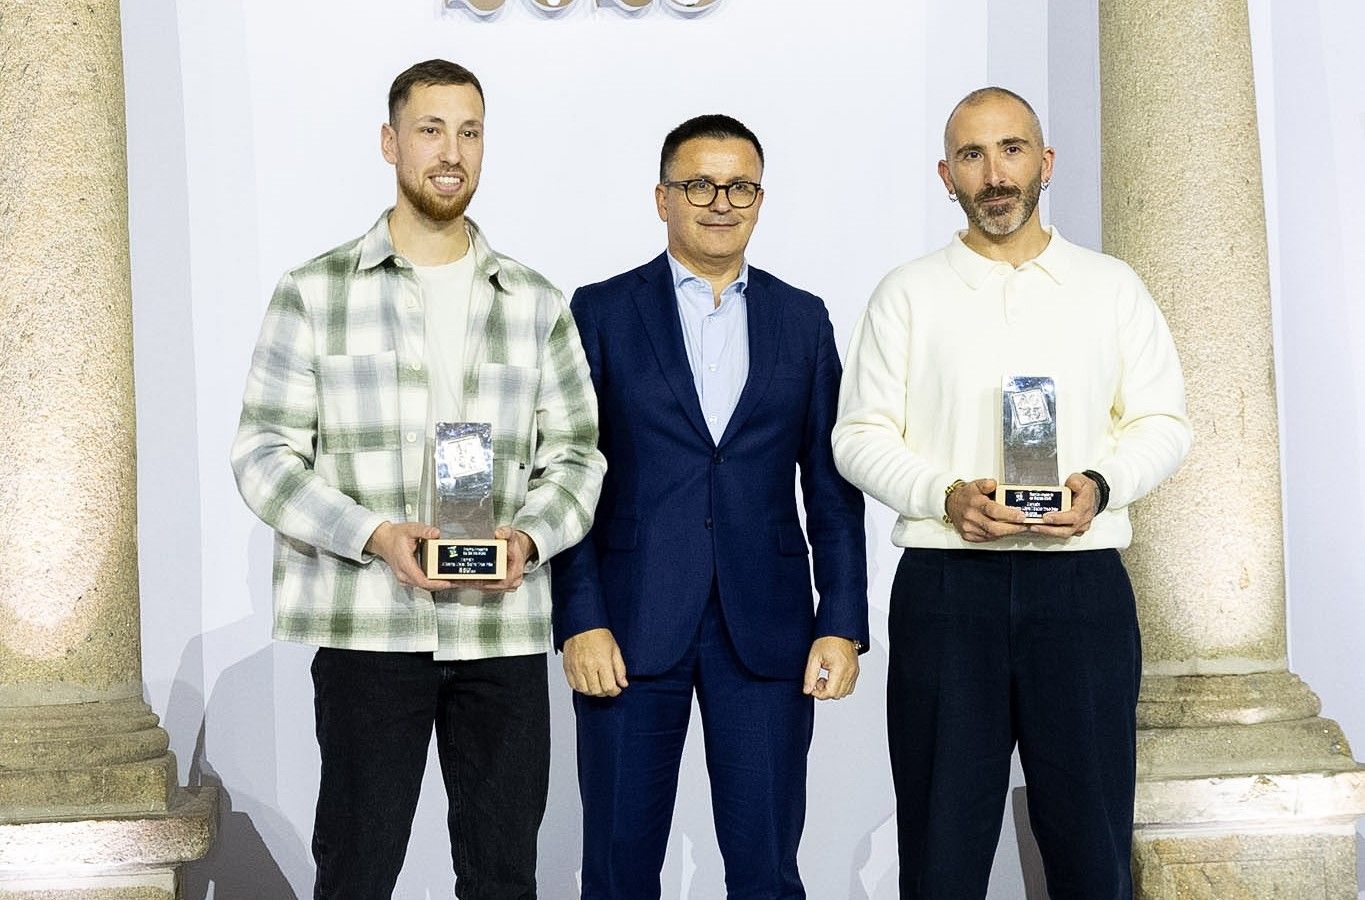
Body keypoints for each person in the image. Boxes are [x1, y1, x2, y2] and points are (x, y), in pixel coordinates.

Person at [230, 59, 605, 900]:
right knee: (356, 873)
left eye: (469, 132)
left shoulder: (534, 301)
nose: (451, 152)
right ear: (390, 142)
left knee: (503, 876)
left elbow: (578, 455)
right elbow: (263, 455)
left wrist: (527, 538)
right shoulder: (315, 292)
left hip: (500, 629)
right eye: (431, 130)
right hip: (370, 624)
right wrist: (374, 535)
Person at [832, 87, 1192, 899]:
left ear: (1044, 162)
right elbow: (857, 435)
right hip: (946, 589)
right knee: (941, 852)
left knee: (1092, 848)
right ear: (945, 175)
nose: (993, 174)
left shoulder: (1110, 287)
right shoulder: (907, 293)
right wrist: (942, 494)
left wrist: (1101, 485)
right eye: (971, 155)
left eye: (1011, 149)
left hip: (1081, 589)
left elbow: (1163, 422)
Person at [550, 114, 868, 899]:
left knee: (766, 871)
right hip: (627, 626)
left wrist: (841, 621)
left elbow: (830, 488)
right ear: (662, 198)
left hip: (767, 628)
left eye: (740, 187)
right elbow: (566, 474)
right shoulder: (600, 311)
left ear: (759, 198)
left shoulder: (802, 318)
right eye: (699, 185)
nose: (720, 202)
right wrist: (578, 618)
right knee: (618, 871)